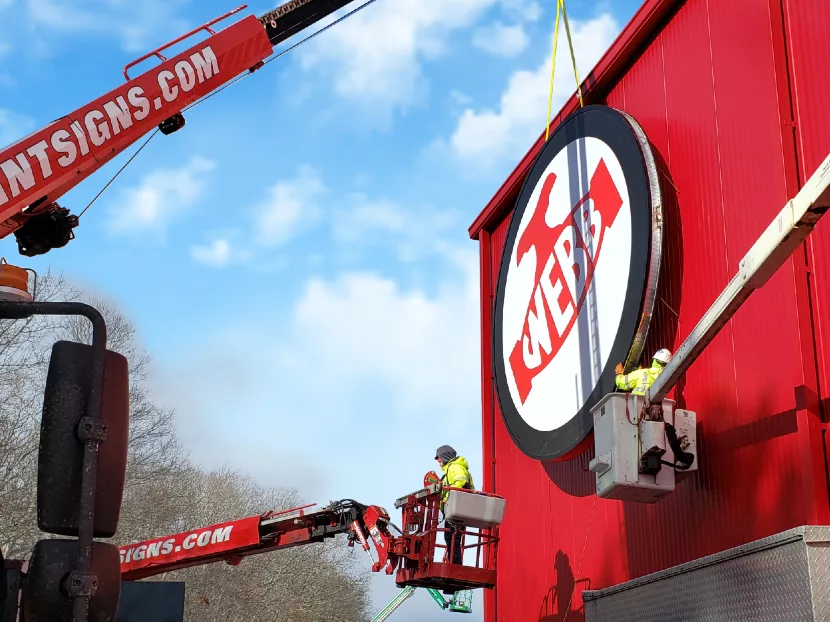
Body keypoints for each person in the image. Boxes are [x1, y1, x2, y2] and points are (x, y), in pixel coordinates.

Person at [434, 445, 474, 566]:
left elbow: (461, 480)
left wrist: (448, 491)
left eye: (439, 458)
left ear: (445, 457)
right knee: (451, 537)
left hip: (457, 508)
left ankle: (455, 564)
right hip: (455, 508)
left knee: (451, 536)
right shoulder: (450, 469)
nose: (438, 462)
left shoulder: (455, 467)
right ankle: (454, 562)